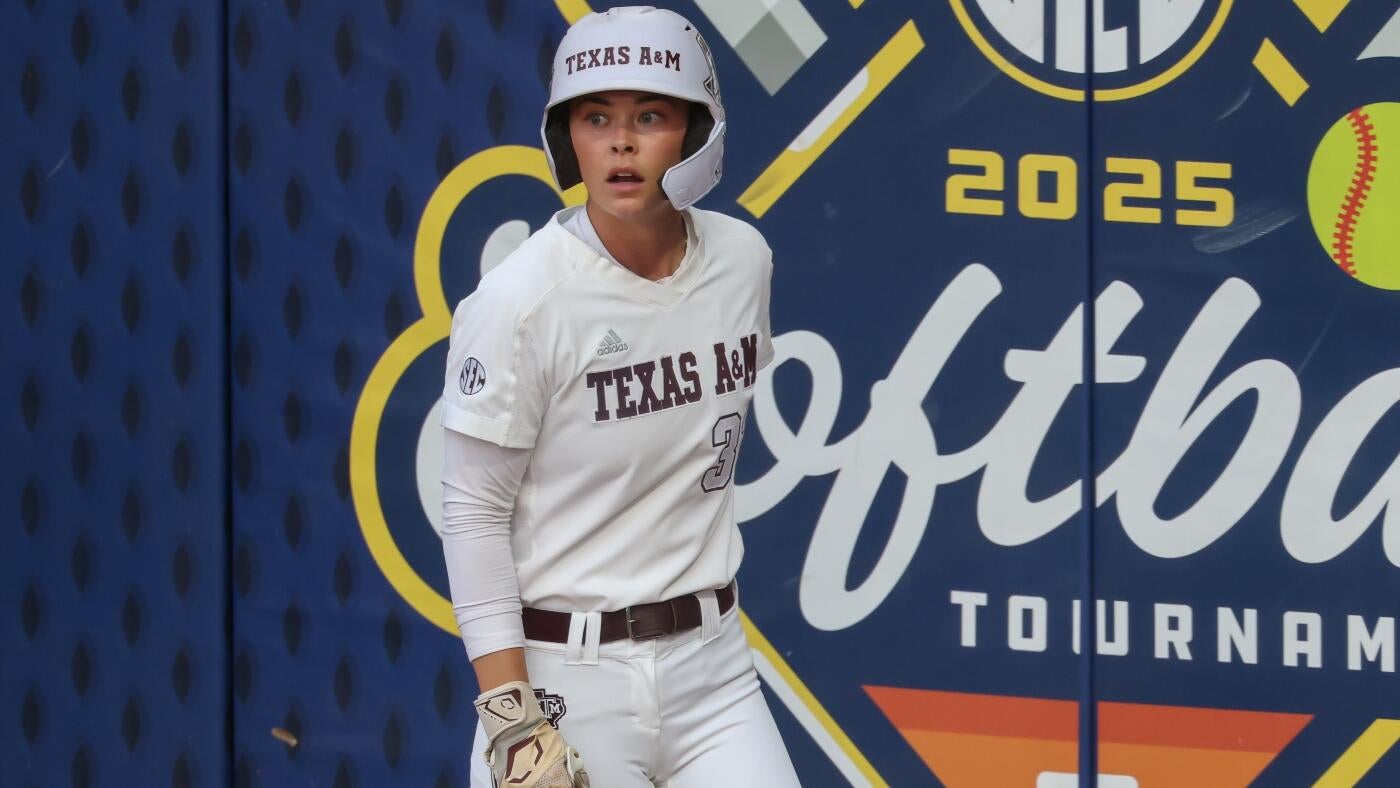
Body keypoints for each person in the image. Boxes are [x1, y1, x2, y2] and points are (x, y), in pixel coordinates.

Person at [439, 6, 801, 787]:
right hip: (568, 679)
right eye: (595, 116)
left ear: (697, 132)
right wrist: (511, 718)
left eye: (650, 115)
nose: (621, 142)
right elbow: (471, 512)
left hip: (715, 669)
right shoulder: (521, 300)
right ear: (566, 135)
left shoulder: (743, 261)